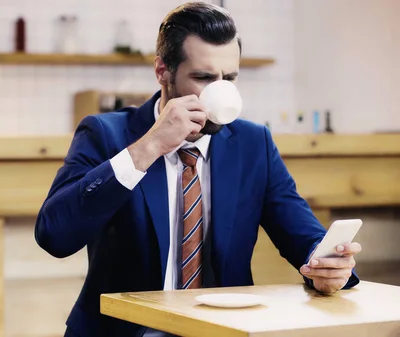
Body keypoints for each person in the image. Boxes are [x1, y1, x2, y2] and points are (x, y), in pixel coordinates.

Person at [34, 2, 362, 336]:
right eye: (204, 78)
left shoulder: (253, 143)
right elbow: (54, 236)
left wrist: (327, 267)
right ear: (162, 71)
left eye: (230, 78)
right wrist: (150, 147)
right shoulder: (108, 134)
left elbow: (301, 235)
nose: (221, 91)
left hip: (222, 329)